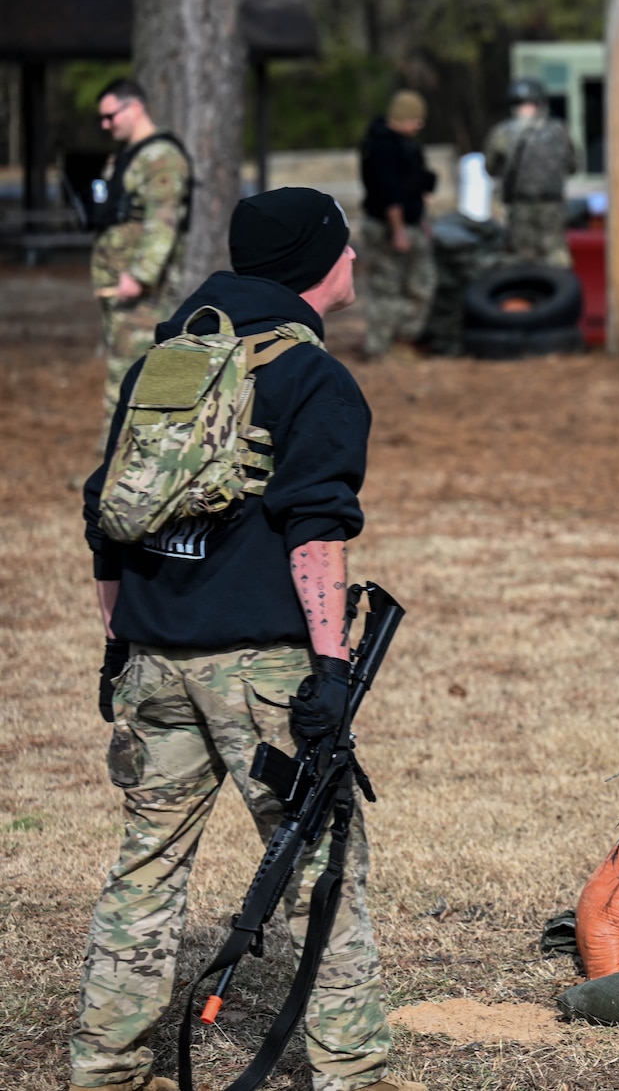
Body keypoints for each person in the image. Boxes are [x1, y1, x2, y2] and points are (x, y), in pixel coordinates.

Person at [75, 188, 420, 1091]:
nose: (354, 262)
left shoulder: (166, 359)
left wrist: (121, 640)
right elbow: (316, 532)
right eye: (344, 248)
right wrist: (333, 671)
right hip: (262, 668)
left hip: (153, 653)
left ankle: (105, 1065)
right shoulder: (314, 378)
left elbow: (103, 513)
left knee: (144, 868)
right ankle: (352, 1069)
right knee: (320, 864)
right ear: (316, 262)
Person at [89, 78, 192, 422]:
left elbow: (163, 222)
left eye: (110, 116)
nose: (105, 125)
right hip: (122, 288)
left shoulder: (160, 157)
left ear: (134, 107)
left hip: (146, 294)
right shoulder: (128, 156)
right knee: (129, 375)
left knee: (139, 378)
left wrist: (139, 275)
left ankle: (119, 471)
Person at [358, 90, 438, 360]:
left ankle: (405, 339)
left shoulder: (409, 146)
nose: (419, 125)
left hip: (412, 223)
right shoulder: (380, 147)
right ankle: (377, 346)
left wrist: (422, 221)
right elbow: (388, 193)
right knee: (386, 288)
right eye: (415, 119)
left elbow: (417, 187)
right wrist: (399, 230)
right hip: (387, 226)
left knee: (422, 284)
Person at [483, 78, 577, 268]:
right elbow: (573, 165)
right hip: (553, 204)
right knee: (555, 253)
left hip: (519, 205)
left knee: (523, 257)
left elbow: (491, 168)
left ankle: (528, 295)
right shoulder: (559, 130)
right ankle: (560, 293)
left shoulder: (502, 132)